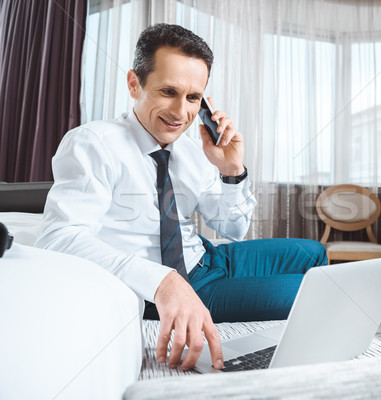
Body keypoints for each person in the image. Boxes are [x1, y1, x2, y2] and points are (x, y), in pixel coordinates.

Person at [35, 23, 327, 371]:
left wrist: (231, 171)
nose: (181, 112)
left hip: (209, 258)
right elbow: (57, 237)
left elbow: (233, 227)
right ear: (134, 84)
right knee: (312, 294)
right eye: (168, 91)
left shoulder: (190, 150)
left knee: (314, 252)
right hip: (177, 285)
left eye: (192, 98)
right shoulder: (92, 143)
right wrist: (163, 280)